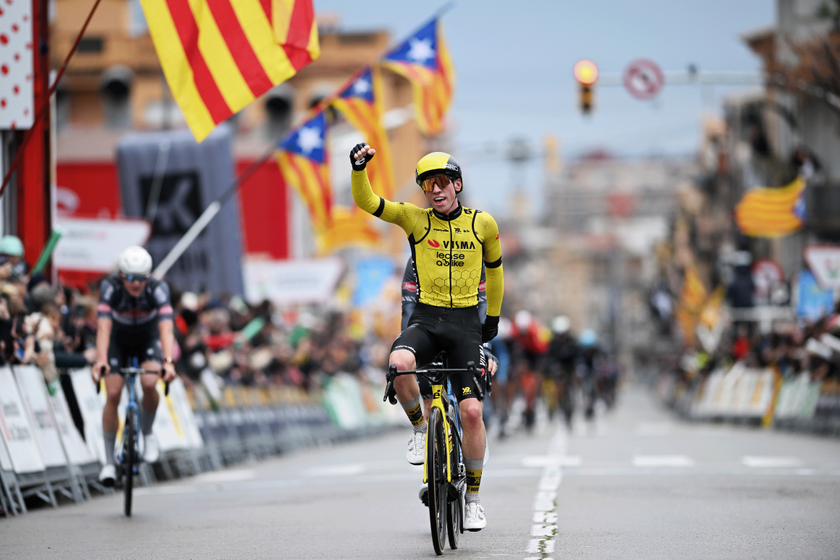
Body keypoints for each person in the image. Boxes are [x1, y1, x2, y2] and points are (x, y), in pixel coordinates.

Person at [351, 144, 504, 530]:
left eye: (441, 183)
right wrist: (358, 169)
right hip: (428, 319)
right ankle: (420, 429)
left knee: (471, 412)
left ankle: (472, 498)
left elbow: (497, 274)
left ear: (456, 185)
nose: (434, 191)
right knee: (398, 364)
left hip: (467, 322)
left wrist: (493, 321)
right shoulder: (415, 220)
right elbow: (368, 202)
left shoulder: (483, 223)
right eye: (427, 185)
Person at [90, 246, 177, 486]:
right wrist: (101, 360)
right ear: (121, 275)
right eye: (129, 278)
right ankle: (109, 463)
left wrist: (168, 362)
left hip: (146, 338)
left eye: (140, 279)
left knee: (150, 383)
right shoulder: (110, 287)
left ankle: (147, 434)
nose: (135, 284)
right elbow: (104, 327)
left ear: (148, 277)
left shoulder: (158, 289)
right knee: (114, 393)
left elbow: (166, 328)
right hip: (118, 339)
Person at [546, 316, 579, 429]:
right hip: (558, 368)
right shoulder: (553, 343)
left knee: (573, 383)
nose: (561, 337)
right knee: (558, 389)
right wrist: (553, 367)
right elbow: (549, 357)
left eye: (563, 334)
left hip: (570, 367)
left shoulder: (572, 341)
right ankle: (560, 405)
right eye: (558, 334)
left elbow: (577, 356)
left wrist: (578, 368)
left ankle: (571, 405)